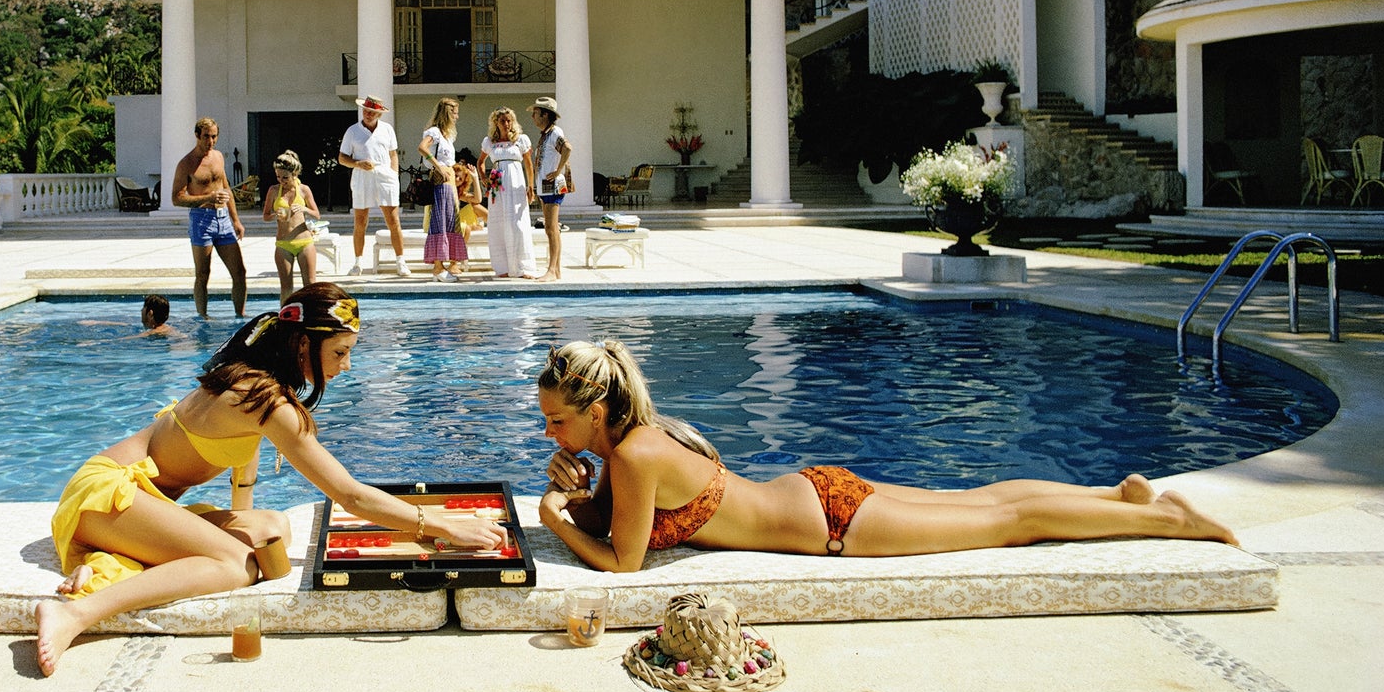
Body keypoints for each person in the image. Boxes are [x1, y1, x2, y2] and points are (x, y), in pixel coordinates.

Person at [35, 283, 508, 676]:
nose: (347, 365)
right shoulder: (267, 401)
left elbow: (241, 463)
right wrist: (439, 525)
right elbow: (348, 494)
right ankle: (75, 613)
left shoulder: (250, 378)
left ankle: (117, 556)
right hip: (107, 494)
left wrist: (232, 517)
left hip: (134, 496)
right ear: (304, 343)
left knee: (270, 529)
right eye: (340, 352)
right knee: (237, 564)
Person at [534, 339, 1240, 572]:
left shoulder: (632, 455)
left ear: (595, 410)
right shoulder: (635, 443)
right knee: (982, 500)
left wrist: (554, 517)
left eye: (557, 420)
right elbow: (624, 521)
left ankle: (1174, 520)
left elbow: (623, 563)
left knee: (1009, 522)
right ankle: (1115, 496)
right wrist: (579, 490)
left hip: (836, 524)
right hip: (817, 490)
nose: (549, 433)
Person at [172, 117, 246, 319]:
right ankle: (202, 317)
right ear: (197, 135)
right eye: (206, 136)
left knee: (239, 272)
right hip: (201, 220)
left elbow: (226, 188)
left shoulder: (218, 157)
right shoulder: (187, 164)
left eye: (214, 136)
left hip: (223, 220)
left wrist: (236, 220)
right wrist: (208, 198)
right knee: (203, 274)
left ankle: (240, 316)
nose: (211, 141)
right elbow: (177, 198)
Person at [339, 95, 407, 277]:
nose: (368, 114)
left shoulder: (387, 130)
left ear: (379, 114)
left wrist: (394, 174)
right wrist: (358, 164)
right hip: (362, 177)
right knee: (360, 221)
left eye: (372, 112)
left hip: (385, 177)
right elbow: (342, 158)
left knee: (393, 221)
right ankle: (357, 262)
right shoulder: (352, 131)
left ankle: (401, 261)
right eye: (366, 110)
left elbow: (393, 154)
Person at [480, 107, 536, 279]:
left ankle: (523, 267)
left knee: (518, 224)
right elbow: (480, 162)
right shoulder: (489, 142)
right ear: (496, 122)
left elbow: (528, 164)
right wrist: (485, 180)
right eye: (502, 120)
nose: (506, 124)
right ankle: (502, 267)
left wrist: (530, 186)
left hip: (517, 184)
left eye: (509, 120)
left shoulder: (521, 140)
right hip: (498, 186)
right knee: (499, 225)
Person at [418, 97, 468, 283]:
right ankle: (438, 267)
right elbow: (422, 148)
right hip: (441, 180)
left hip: (449, 183)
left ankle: (444, 264)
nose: (457, 116)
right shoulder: (435, 132)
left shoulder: (448, 136)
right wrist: (439, 167)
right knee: (439, 221)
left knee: (450, 222)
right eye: (454, 112)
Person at [262, 151, 322, 302]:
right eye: (278, 177)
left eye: (285, 177)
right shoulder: (273, 191)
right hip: (283, 244)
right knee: (286, 288)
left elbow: (317, 214)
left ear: (294, 174)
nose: (281, 180)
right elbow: (265, 216)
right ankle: (285, 318)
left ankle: (312, 316)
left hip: (304, 242)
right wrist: (275, 215)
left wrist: (304, 209)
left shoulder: (304, 190)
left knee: (310, 285)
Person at [529, 97, 573, 283]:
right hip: (545, 187)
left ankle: (553, 270)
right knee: (550, 228)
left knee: (552, 228)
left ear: (545, 114)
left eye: (536, 113)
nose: (533, 117)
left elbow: (567, 148)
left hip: (553, 186)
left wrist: (558, 170)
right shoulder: (546, 134)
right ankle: (555, 270)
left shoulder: (555, 132)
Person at [453, 147, 486, 247]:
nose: (457, 179)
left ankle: (496, 225)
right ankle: (473, 227)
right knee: (474, 207)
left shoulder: (459, 192)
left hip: (456, 219)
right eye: (455, 176)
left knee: (475, 206)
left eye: (460, 179)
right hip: (446, 220)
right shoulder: (446, 186)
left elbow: (478, 199)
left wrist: (475, 177)